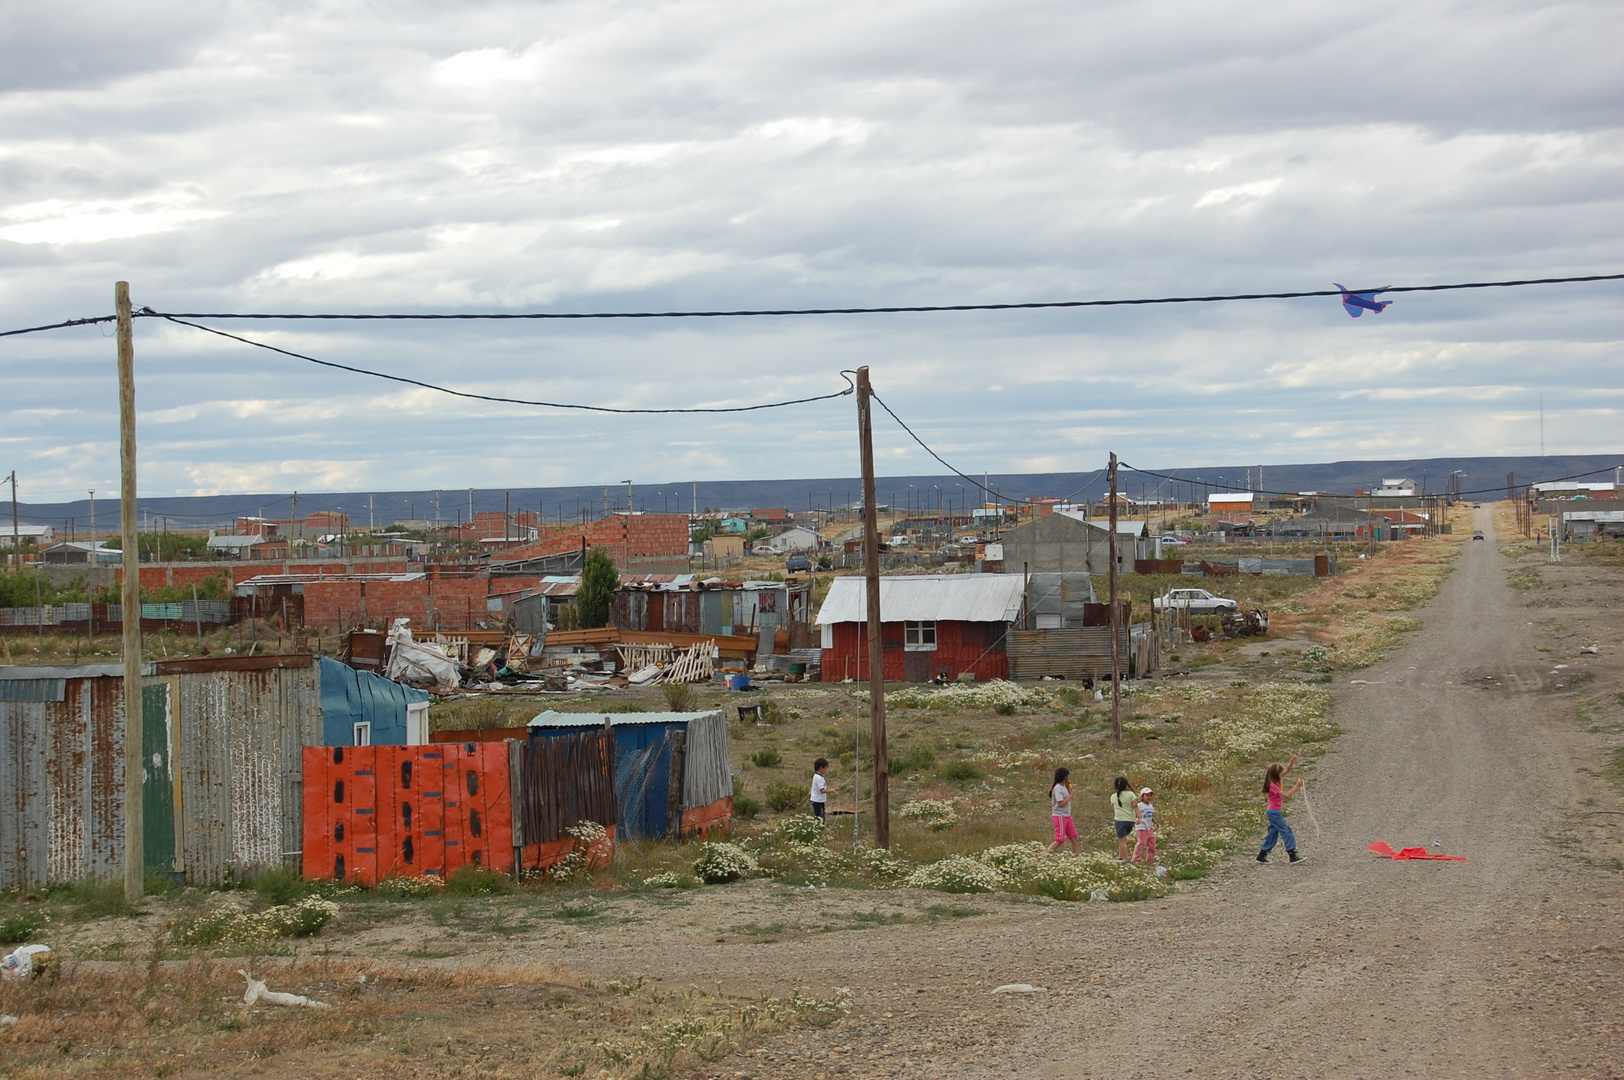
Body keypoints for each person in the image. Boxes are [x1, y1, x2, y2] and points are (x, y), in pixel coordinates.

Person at [1257, 754, 1305, 864]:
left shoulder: (1276, 779)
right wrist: (1297, 786)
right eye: (1279, 772)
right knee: (1286, 830)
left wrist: (1291, 764)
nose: (1281, 774)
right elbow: (1287, 795)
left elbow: (1287, 771)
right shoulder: (1272, 785)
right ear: (1275, 774)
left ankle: (1262, 854)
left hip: (1273, 812)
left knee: (1273, 832)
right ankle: (1292, 854)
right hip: (1274, 812)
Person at [1046, 768, 1080, 855]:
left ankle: (1078, 856)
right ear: (1065, 777)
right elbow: (1061, 803)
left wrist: (1068, 786)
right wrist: (1071, 795)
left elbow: (1067, 794)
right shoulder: (1057, 788)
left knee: (1074, 837)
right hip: (1060, 816)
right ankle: (1047, 854)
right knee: (1060, 839)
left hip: (1067, 815)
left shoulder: (1064, 787)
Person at [1110, 776, 1137, 860]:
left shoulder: (1113, 796)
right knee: (1122, 840)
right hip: (1131, 821)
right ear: (1126, 785)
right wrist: (1139, 816)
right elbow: (1135, 806)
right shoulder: (1131, 794)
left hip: (1120, 821)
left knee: (1122, 841)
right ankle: (1120, 856)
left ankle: (1124, 859)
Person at [1132, 787, 1157, 863]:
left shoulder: (1150, 806)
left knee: (1152, 842)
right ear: (1142, 797)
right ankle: (1136, 858)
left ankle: (1151, 857)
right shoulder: (1140, 805)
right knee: (1141, 843)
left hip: (1149, 827)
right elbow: (1136, 813)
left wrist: (1155, 821)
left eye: (1150, 795)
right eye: (1147, 795)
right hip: (1141, 827)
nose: (1149, 797)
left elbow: (1151, 815)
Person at [810, 757, 837, 822]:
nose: (826, 770)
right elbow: (822, 790)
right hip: (817, 801)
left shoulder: (819, 777)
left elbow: (824, 787)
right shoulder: (818, 778)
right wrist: (832, 791)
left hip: (819, 801)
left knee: (821, 816)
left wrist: (832, 788)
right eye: (826, 768)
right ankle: (819, 828)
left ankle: (819, 827)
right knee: (819, 817)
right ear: (821, 768)